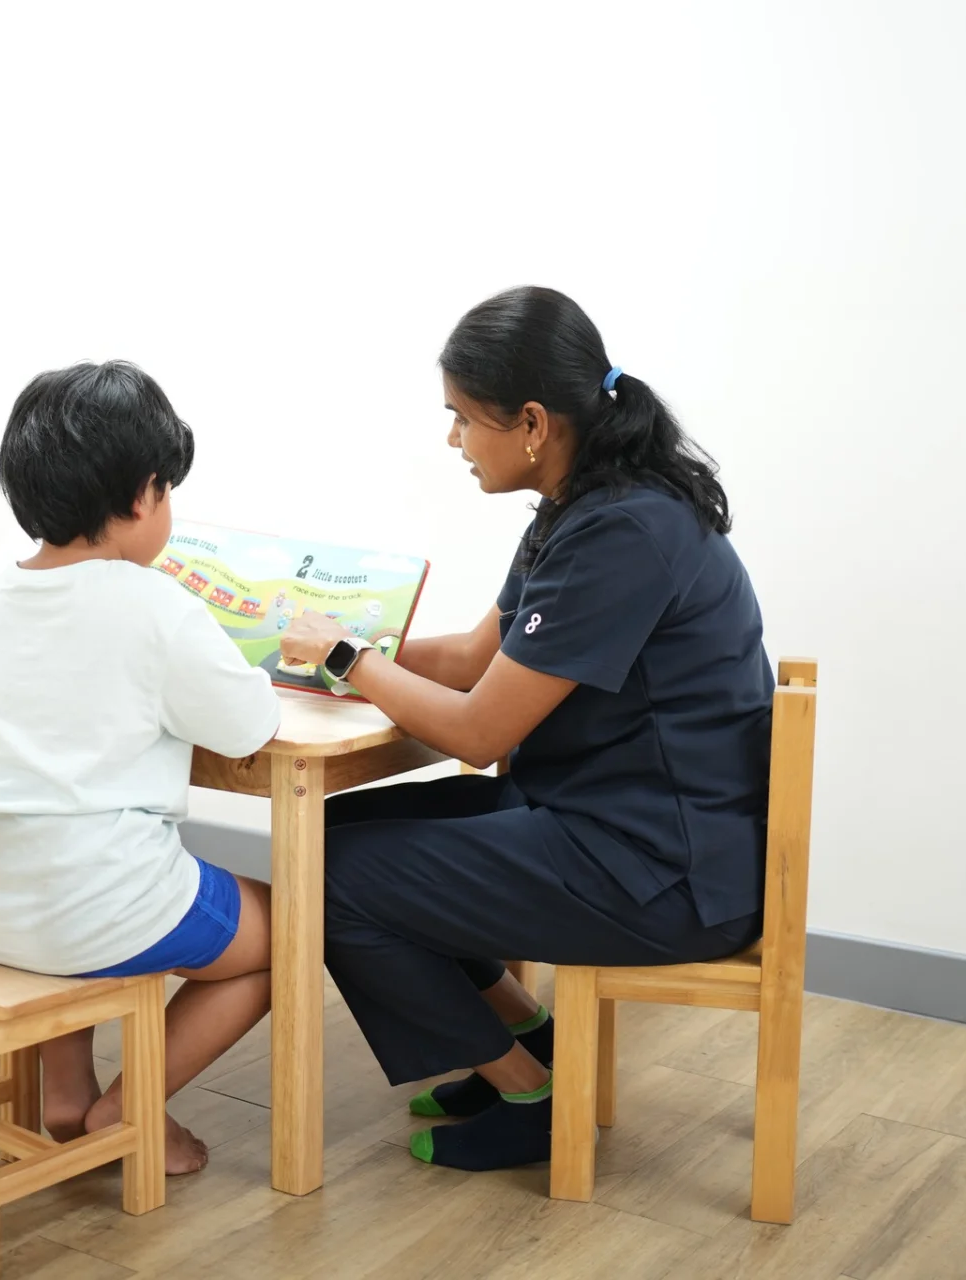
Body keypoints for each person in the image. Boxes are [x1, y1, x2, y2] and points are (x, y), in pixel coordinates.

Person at [279, 287, 774, 1172]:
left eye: (463, 420)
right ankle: (532, 1043)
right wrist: (330, 649)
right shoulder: (580, 504)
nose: (453, 442)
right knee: (325, 839)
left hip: (661, 874)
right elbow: (476, 656)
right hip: (611, 826)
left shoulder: (622, 531)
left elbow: (475, 731)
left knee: (330, 878)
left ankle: (529, 1095)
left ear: (534, 422)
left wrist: (352, 660)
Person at [0, 360, 280, 1174]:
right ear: (143, 496)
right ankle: (126, 1112)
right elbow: (247, 725)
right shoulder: (157, 605)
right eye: (168, 491)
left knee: (65, 879)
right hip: (100, 902)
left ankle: (65, 1097)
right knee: (287, 930)